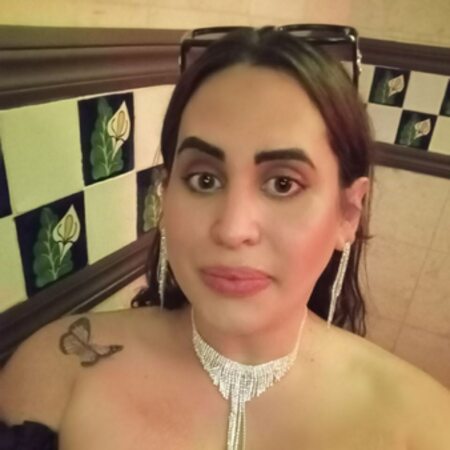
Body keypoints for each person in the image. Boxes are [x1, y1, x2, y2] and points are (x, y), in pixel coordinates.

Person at [1, 26, 449, 450]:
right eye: (204, 179)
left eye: (283, 184)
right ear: (165, 196)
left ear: (347, 213)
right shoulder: (55, 371)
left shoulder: (424, 426)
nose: (233, 230)